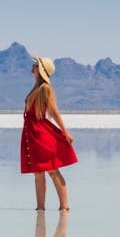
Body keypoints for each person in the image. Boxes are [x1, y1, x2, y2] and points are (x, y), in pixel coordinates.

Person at [21, 56, 78, 210]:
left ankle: (64, 206)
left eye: (35, 65)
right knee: (38, 172)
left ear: (40, 70)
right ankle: (40, 208)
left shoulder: (45, 88)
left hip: (41, 134)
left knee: (52, 170)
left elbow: (54, 112)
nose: (32, 66)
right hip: (32, 133)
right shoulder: (36, 88)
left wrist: (65, 132)